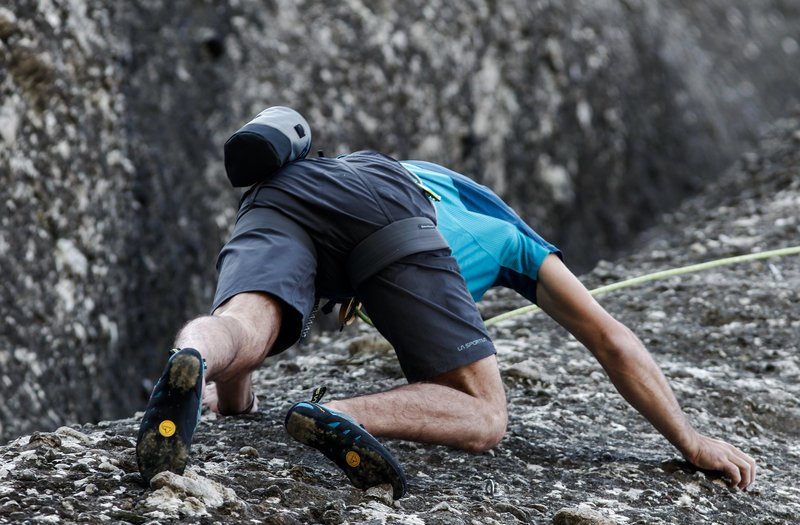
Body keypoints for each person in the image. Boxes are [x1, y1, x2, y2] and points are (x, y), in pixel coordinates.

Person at [135, 109, 756, 499]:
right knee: (485, 415)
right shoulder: (514, 240)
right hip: (391, 209)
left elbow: (259, 333)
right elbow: (609, 337)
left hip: (290, 186)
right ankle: (337, 413)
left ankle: (191, 355)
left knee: (239, 323)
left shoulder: (422, 173)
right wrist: (689, 439)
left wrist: (232, 401)